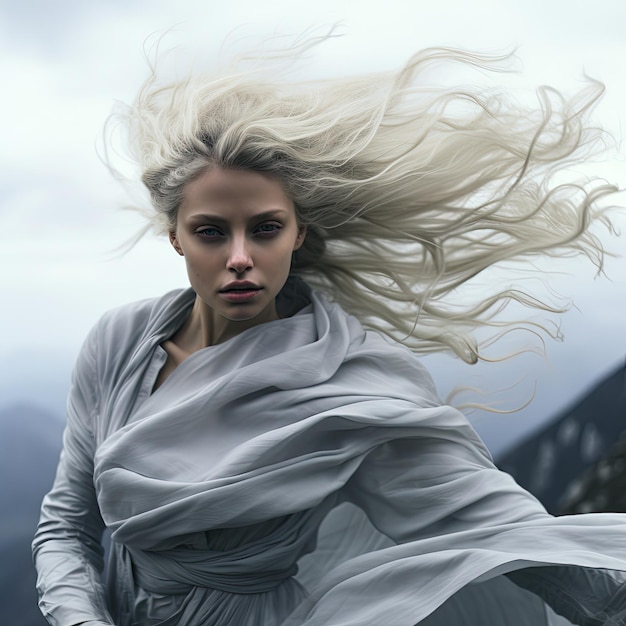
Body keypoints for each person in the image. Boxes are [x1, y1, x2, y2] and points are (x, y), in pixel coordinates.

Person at [33, 36, 626, 626]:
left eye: (264, 229)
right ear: (175, 237)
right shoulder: (118, 344)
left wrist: (609, 598)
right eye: (211, 232)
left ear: (297, 233)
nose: (240, 256)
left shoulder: (349, 380)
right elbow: (66, 524)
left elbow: (491, 522)